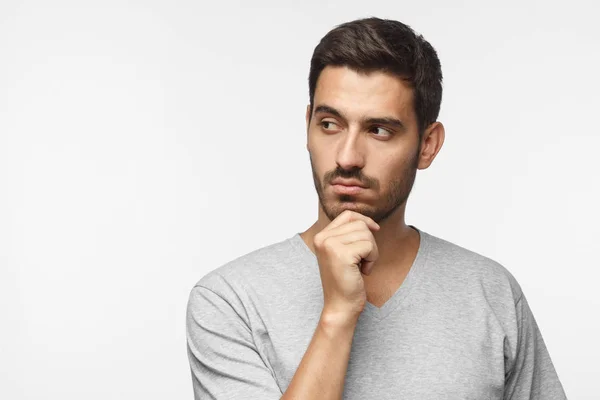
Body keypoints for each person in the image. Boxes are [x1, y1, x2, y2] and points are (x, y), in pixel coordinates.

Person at [186, 17, 567, 399]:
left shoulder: (491, 292)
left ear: (428, 144)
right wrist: (337, 315)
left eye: (379, 130)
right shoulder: (229, 301)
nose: (348, 157)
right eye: (330, 124)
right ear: (307, 126)